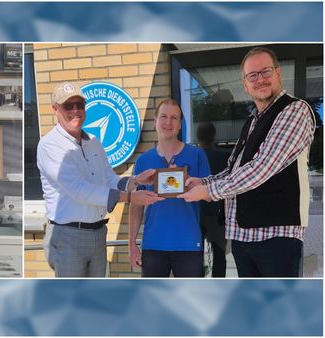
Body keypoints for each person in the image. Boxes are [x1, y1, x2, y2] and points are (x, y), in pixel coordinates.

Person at [179, 47, 316, 277]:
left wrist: (209, 191)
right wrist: (200, 182)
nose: (259, 79)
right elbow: (233, 170)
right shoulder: (251, 121)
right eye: (252, 75)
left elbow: (261, 169)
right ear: (245, 84)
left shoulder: (294, 110)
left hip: (276, 237)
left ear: (278, 73)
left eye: (265, 72)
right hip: (243, 237)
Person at [37, 82, 163, 278]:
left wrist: (136, 180)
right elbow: (79, 190)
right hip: (68, 236)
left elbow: (109, 178)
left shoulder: (93, 142)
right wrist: (129, 198)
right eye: (68, 106)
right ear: (55, 109)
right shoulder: (49, 145)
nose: (75, 111)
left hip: (98, 233)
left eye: (80, 104)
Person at [129, 99, 211, 277]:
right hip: (153, 244)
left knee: (190, 302)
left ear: (180, 125)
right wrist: (131, 243)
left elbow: (211, 195)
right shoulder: (143, 161)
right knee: (152, 303)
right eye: (163, 117)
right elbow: (136, 205)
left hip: (188, 243)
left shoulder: (196, 155)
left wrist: (188, 180)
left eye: (174, 118)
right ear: (154, 121)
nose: (168, 122)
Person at [196, 122, 229, 277]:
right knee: (220, 255)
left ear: (197, 137)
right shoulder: (225, 157)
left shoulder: (194, 157)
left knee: (196, 254)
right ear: (214, 135)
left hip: (198, 213)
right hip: (218, 213)